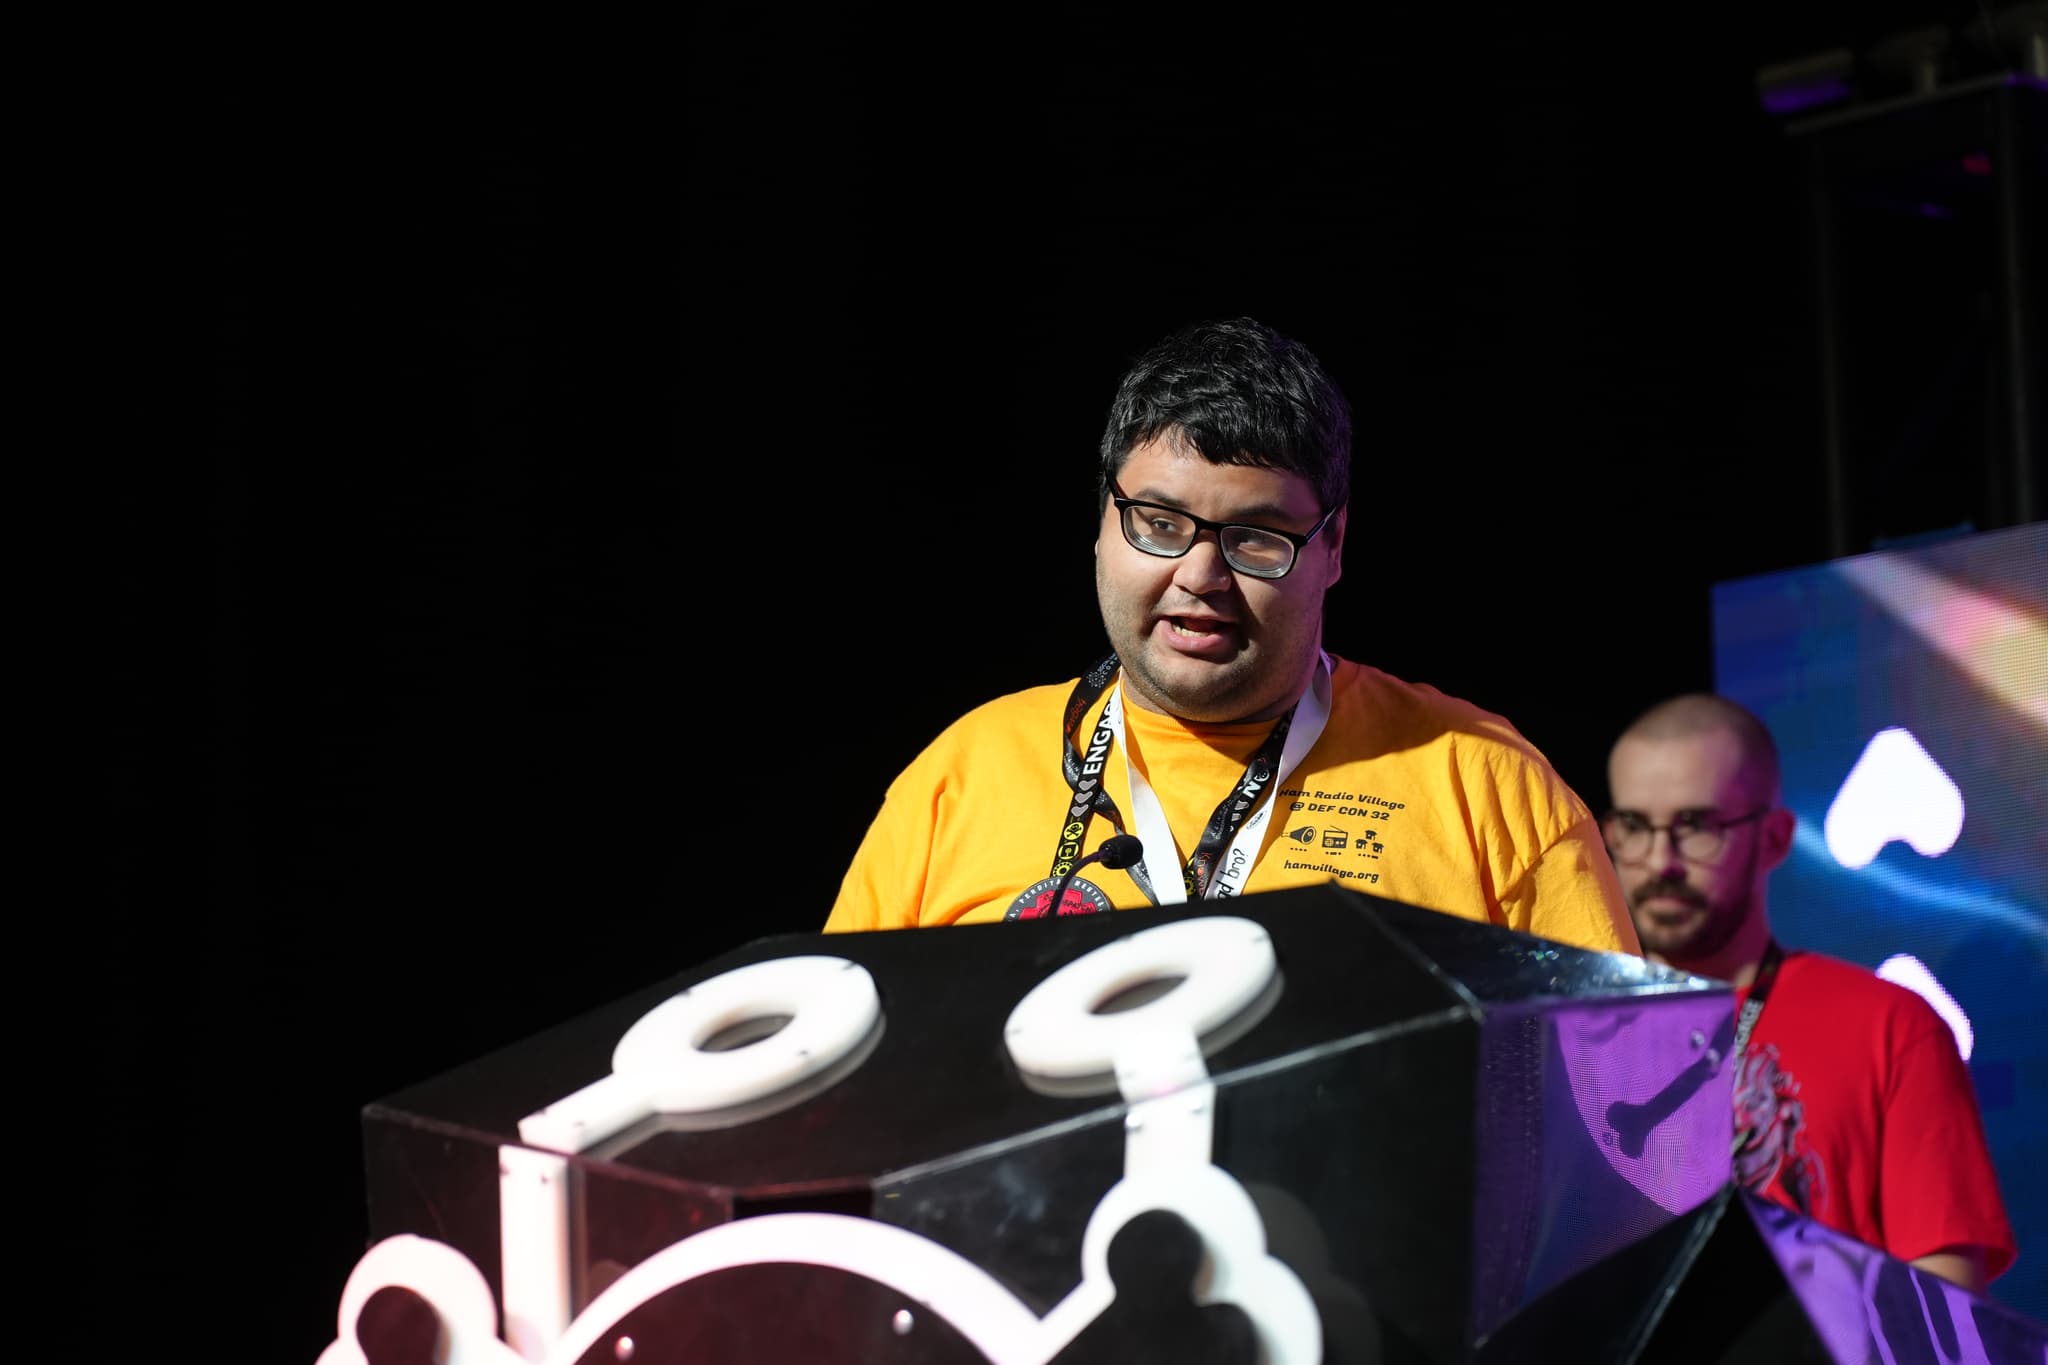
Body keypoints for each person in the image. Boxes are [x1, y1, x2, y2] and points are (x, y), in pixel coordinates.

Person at [823, 316, 1638, 957]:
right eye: (1160, 522)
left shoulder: (1489, 787)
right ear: (1103, 522)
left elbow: (1635, 1127)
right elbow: (835, 1103)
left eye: (1255, 537)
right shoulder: (958, 777)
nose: (1200, 575)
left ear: (1335, 546)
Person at [1603, 692, 2016, 1293]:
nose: (1660, 861)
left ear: (1773, 839)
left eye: (1696, 827)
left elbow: (1945, 1306)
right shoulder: (1570, 1031)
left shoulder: (1890, 1026)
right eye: (1635, 827)